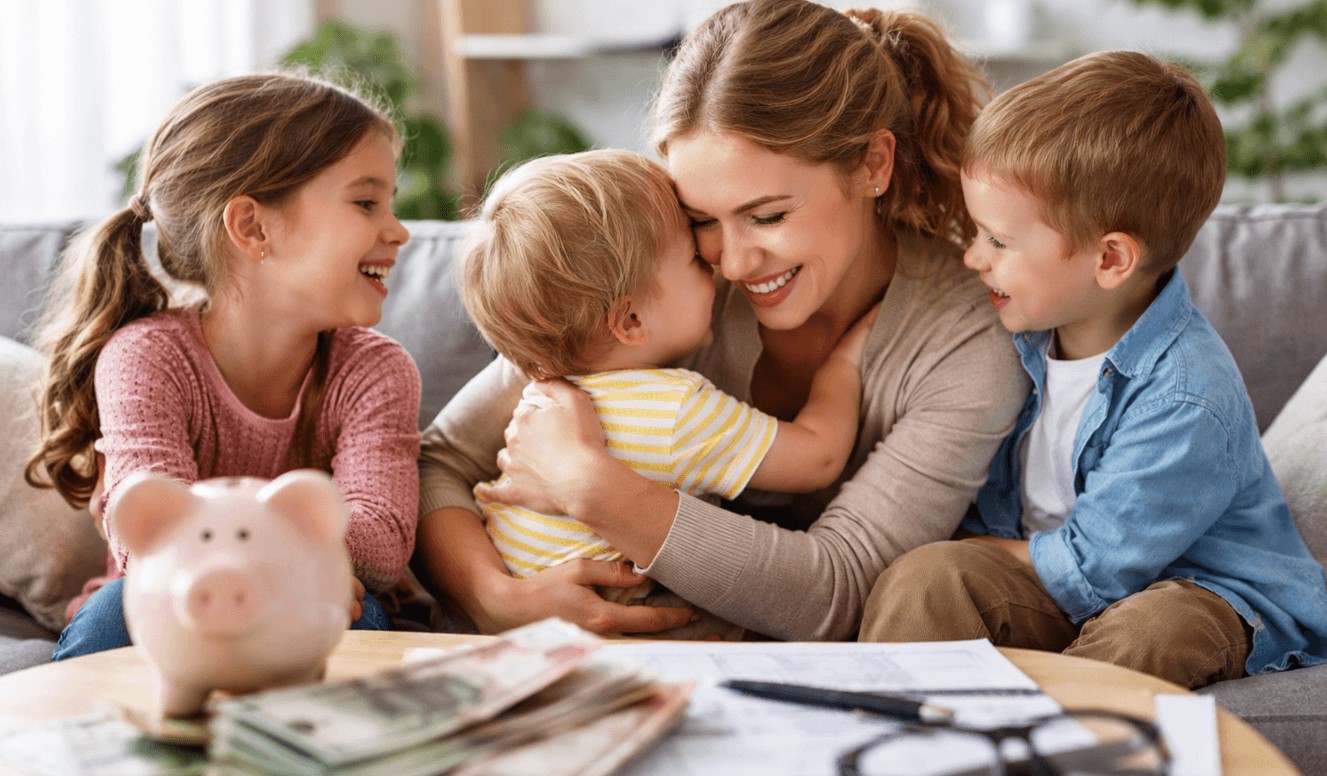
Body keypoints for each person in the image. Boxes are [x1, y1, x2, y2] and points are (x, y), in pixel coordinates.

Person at [417, 0, 1025, 640]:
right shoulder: (651, 274)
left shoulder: (963, 338)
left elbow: (840, 589)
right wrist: (495, 596)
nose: (731, 263)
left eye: (768, 217)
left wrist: (596, 490)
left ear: (873, 164)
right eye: (702, 218)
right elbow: (441, 460)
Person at [858, 51, 1327, 687]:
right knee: (923, 580)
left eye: (998, 240)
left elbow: (1096, 567)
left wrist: (975, 551)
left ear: (1109, 260)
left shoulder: (1188, 395)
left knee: (1153, 631)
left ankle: (1044, 749)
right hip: (1051, 581)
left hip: (1196, 591)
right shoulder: (1016, 333)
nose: (973, 257)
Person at [25, 72, 423, 659]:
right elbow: (149, 539)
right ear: (253, 227)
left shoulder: (375, 371)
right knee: (116, 607)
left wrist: (274, 565)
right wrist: (294, 542)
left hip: (316, 596)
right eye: (366, 202)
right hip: (170, 601)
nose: (398, 230)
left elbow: (384, 543)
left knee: (353, 610)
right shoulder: (146, 357)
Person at [459, 149, 873, 639]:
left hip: (495, 628)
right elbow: (818, 458)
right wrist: (844, 365)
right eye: (695, 259)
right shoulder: (675, 409)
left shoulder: (543, 391)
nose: (722, 270)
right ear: (631, 321)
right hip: (604, 638)